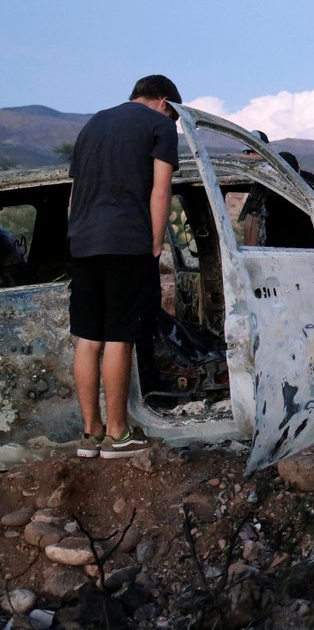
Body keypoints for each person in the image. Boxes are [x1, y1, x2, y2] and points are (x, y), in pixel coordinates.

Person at [67, 75, 181, 458]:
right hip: (126, 241)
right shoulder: (159, 125)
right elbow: (161, 189)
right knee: (120, 337)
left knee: (88, 338)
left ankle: (91, 434)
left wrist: (78, 235)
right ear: (164, 101)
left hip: (84, 241)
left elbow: (74, 192)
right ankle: (118, 435)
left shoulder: (93, 122)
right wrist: (155, 241)